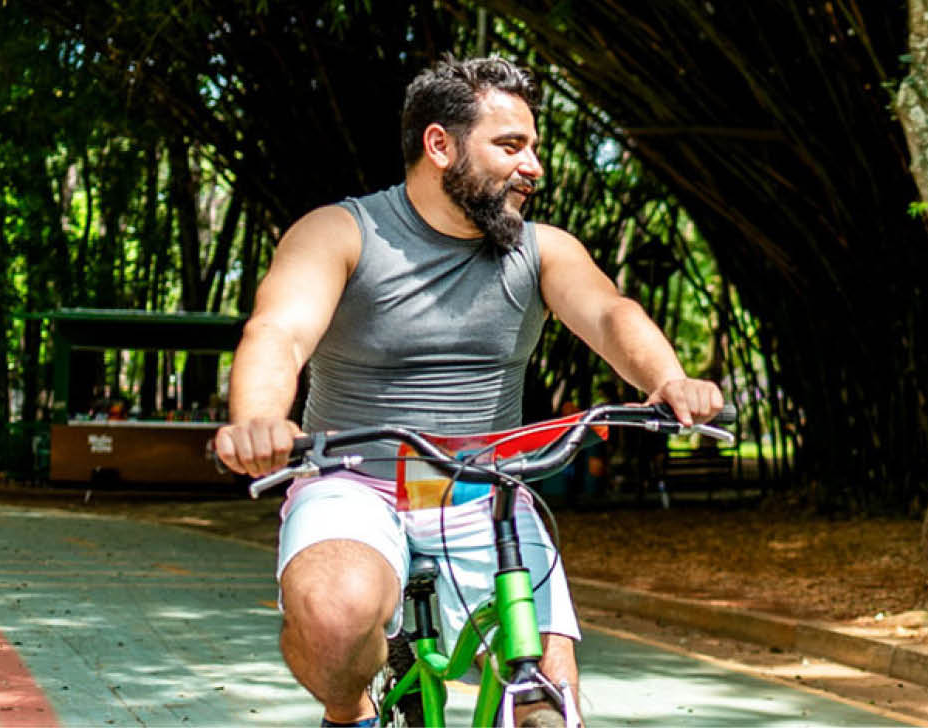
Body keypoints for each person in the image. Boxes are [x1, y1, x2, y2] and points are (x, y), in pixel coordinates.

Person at [212, 56, 724, 727]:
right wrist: (258, 419)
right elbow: (279, 332)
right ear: (439, 145)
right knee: (337, 619)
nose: (534, 167)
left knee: (545, 695)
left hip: (486, 489)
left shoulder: (542, 251)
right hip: (353, 480)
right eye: (511, 146)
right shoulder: (339, 233)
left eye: (534, 147)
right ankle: (349, 708)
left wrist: (667, 378)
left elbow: (608, 313)